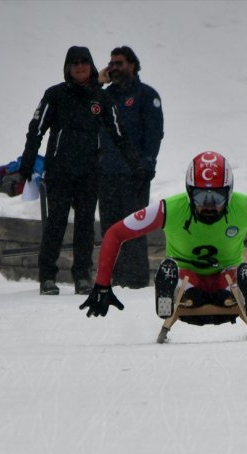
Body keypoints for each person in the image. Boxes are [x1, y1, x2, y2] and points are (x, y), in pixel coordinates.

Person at [78, 151, 247, 322]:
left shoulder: (246, 206)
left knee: (235, 276)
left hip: (225, 278)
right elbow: (115, 233)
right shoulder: (168, 208)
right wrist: (102, 284)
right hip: (186, 278)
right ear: (188, 192)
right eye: (200, 196)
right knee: (181, 277)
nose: (208, 204)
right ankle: (174, 292)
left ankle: (241, 292)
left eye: (216, 197)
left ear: (229, 193)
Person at [18, 46, 144, 296]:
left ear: (91, 65)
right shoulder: (54, 95)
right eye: (74, 63)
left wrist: (136, 164)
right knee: (56, 222)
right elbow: (36, 130)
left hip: (89, 172)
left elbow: (119, 134)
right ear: (67, 67)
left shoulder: (102, 98)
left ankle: (83, 276)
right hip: (59, 171)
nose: (79, 67)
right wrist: (26, 166)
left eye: (84, 62)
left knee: (86, 225)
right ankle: (47, 277)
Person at [97, 46, 164, 289]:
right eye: (111, 63)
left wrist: (148, 165)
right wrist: (97, 82)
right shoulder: (105, 95)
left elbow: (154, 134)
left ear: (132, 65)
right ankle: (115, 278)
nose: (114, 67)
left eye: (120, 63)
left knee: (134, 227)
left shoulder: (147, 95)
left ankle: (136, 280)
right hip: (106, 174)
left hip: (134, 174)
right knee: (110, 229)